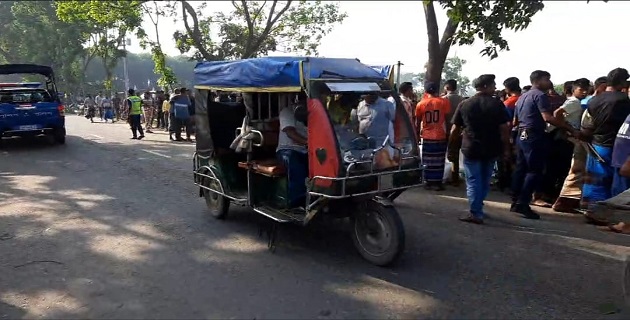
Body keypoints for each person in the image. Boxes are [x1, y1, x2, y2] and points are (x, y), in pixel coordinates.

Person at [511, 70, 581, 219]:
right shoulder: (540, 95)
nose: (550, 82)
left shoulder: (523, 96)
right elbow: (547, 117)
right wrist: (569, 128)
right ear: (539, 80)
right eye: (547, 79)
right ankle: (523, 203)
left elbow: (515, 121)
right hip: (534, 134)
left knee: (521, 168)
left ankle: (515, 201)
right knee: (534, 170)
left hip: (521, 133)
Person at [450, 74, 510, 224]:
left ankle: (476, 211)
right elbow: (504, 129)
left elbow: (455, 129)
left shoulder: (465, 104)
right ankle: (478, 208)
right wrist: (506, 148)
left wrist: (451, 146)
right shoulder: (497, 104)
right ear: (485, 87)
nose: (495, 88)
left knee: (473, 180)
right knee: (484, 179)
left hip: (471, 147)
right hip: (492, 147)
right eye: (493, 85)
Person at [581, 68, 630, 224]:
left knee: (595, 180)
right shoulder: (623, 101)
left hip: (596, 144)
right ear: (622, 82)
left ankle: (591, 209)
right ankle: (607, 215)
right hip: (615, 146)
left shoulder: (593, 100)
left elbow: (587, 126)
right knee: (614, 183)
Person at [552, 78, 591, 212]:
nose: (584, 92)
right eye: (581, 89)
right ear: (574, 90)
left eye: (586, 89)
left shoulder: (578, 102)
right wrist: (567, 127)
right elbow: (557, 113)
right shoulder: (574, 102)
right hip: (567, 137)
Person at [416, 81, 451, 190]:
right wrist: (449, 134)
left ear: (426, 91)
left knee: (427, 160)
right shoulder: (444, 102)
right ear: (437, 90)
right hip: (440, 135)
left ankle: (427, 182)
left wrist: (417, 135)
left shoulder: (420, 104)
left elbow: (417, 122)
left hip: (427, 136)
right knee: (439, 160)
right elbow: (448, 119)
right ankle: (437, 183)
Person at [277, 102, 308, 208]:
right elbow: (290, 133)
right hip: (288, 149)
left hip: (308, 150)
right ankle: (296, 203)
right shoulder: (287, 112)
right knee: (296, 165)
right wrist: (308, 142)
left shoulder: (315, 113)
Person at [442, 79, 465, 186]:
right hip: (459, 131)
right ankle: (454, 177)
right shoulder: (462, 100)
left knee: (444, 155)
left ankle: (444, 176)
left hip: (445, 130)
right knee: (455, 155)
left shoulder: (443, 100)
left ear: (447, 87)